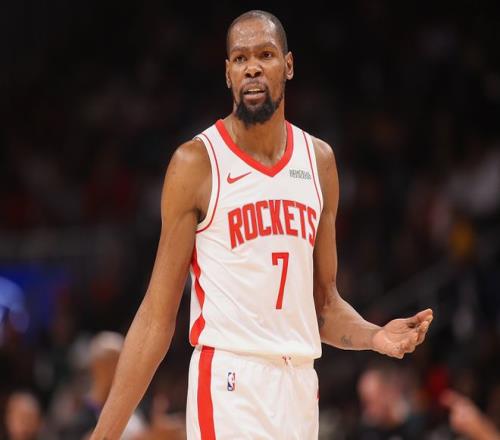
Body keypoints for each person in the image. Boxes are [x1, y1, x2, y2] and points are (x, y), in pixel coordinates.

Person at [90, 10, 433, 439]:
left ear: (288, 65)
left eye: (265, 54)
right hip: (231, 385)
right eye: (240, 58)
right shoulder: (197, 164)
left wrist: (375, 336)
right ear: (228, 74)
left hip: (300, 388)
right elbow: (156, 319)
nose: (252, 67)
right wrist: (104, 435)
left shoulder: (319, 162)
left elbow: (325, 306)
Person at [61, 331, 146, 439]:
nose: (117, 369)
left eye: (122, 362)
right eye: (110, 362)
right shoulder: (77, 417)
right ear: (95, 366)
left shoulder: (135, 413)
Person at [353, 362, 426, 439]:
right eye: (364, 403)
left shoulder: (414, 425)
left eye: (371, 401)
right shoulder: (365, 432)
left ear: (387, 392)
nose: (368, 410)